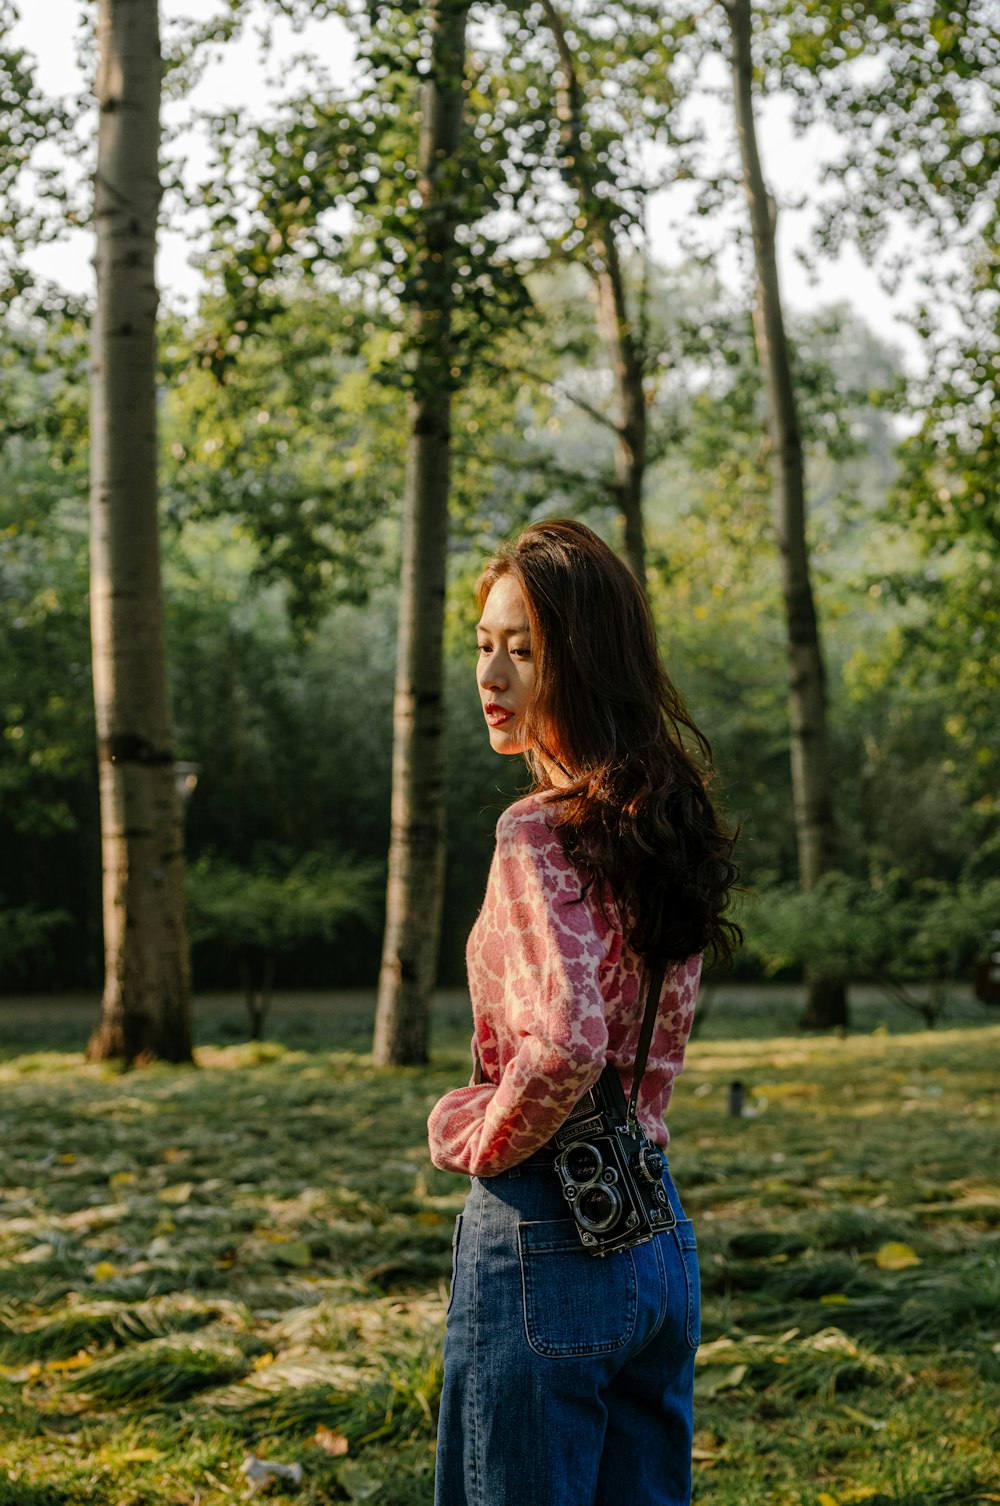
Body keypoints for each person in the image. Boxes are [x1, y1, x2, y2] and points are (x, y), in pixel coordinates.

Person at [428, 518, 741, 1506]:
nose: (493, 674)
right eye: (484, 645)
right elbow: (660, 1037)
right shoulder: (659, 825)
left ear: (587, 663)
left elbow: (566, 1042)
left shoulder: (534, 833)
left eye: (525, 651)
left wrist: (479, 1135)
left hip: (545, 1237)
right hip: (657, 1235)